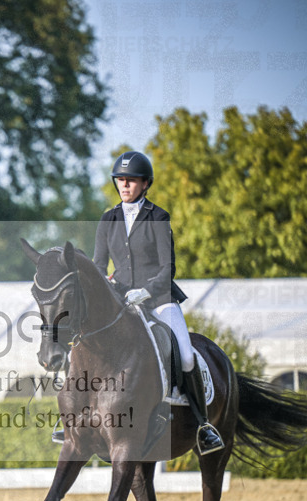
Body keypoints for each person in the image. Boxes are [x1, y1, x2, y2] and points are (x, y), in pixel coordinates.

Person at [93, 150, 224, 455]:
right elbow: (98, 265)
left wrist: (147, 291)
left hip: (160, 299)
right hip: (122, 303)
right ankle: (78, 419)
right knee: (87, 345)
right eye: (120, 180)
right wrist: (108, 287)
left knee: (187, 354)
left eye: (131, 180)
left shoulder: (158, 217)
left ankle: (204, 426)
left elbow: (168, 269)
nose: (124, 185)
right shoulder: (107, 218)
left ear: (145, 183)